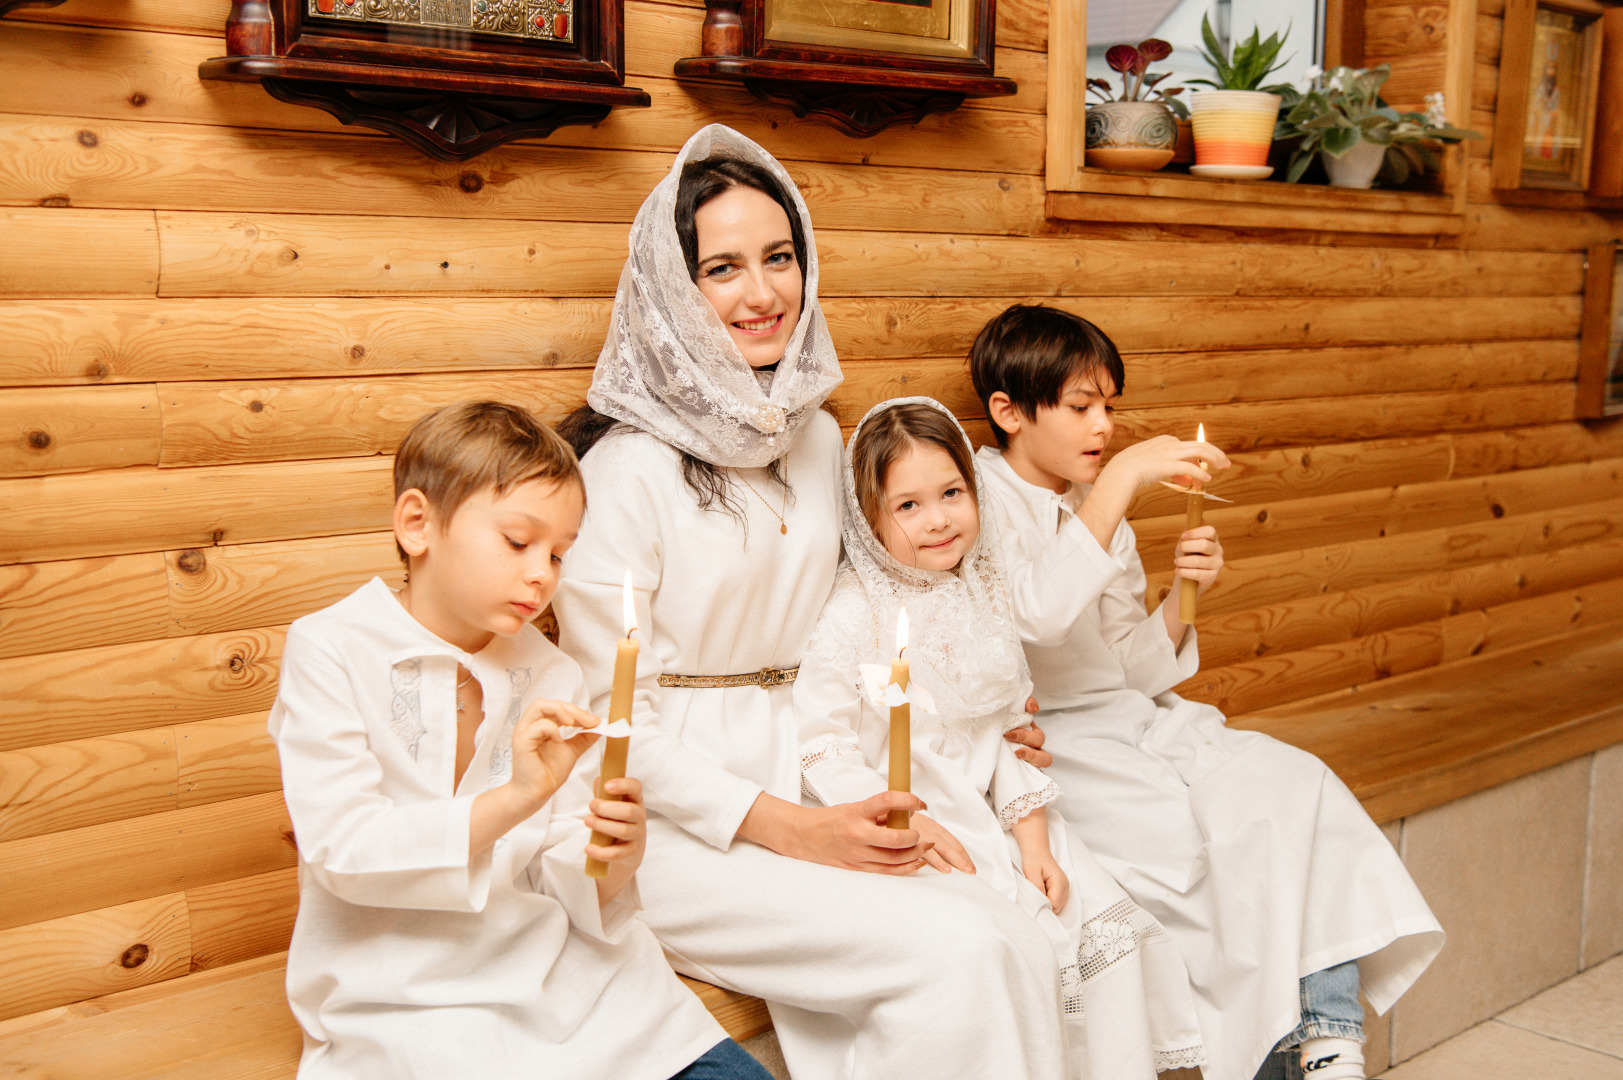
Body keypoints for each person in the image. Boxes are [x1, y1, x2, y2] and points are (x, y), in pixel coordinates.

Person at [553, 125, 1066, 1080]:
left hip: (823, 769)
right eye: (723, 269)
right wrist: (791, 829)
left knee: (1009, 925)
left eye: (779, 258)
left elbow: (872, 610)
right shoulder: (625, 471)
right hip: (671, 823)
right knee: (959, 950)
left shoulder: (820, 439)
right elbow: (608, 716)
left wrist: (986, 716)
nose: (762, 294)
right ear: (674, 289)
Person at [967, 305, 1445, 1080]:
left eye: (1110, 407)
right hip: (1056, 745)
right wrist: (1120, 480)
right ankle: (1285, 1052)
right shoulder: (978, 503)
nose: (1104, 428)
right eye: (1081, 407)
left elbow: (1130, 667)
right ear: (1008, 412)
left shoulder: (1098, 513)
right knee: (1198, 848)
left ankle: (1328, 1038)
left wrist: (1184, 598)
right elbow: (1037, 615)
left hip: (1135, 718)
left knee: (1292, 785)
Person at [268, 401, 764, 1080]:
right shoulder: (330, 649)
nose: (543, 574)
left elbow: (564, 874)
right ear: (417, 524)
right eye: (517, 542)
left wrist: (613, 858)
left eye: (559, 552)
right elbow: (345, 852)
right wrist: (518, 796)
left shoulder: (551, 671)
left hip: (577, 987)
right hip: (409, 999)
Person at [794, 396, 1208, 1079]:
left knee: (1102, 928)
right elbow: (822, 743)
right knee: (1015, 955)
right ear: (868, 520)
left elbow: (1008, 735)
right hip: (920, 823)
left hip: (1006, 817)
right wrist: (886, 814)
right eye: (907, 506)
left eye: (952, 493)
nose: (937, 520)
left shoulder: (984, 598)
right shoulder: (850, 615)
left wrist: (1036, 843)